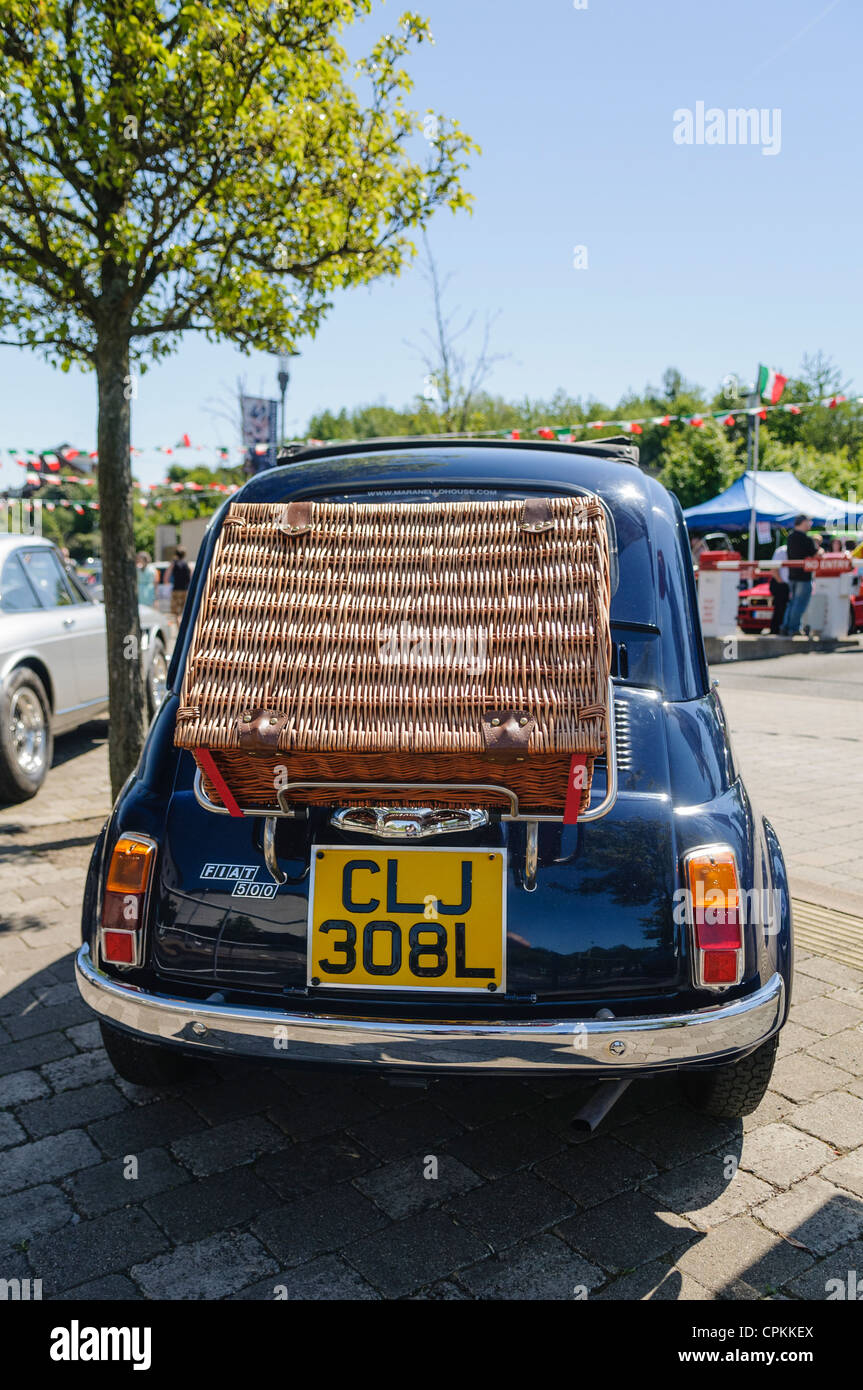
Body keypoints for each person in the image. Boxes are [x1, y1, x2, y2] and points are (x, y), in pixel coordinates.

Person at [781, 515, 817, 635]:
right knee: (799, 603)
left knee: (792, 602)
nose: (810, 524)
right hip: (803, 576)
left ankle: (786, 627)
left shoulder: (790, 537)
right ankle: (793, 628)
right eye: (808, 522)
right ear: (803, 522)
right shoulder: (806, 539)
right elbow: (816, 554)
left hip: (792, 575)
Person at [769, 541, 789, 634]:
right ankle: (776, 629)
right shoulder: (781, 550)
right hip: (780, 583)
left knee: (782, 607)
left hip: (784, 583)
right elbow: (774, 569)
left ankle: (778, 629)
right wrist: (781, 582)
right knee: (780, 607)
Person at [166, 547, 191, 619]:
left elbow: (166, 577)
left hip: (176, 590)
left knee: (175, 613)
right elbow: (191, 576)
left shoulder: (173, 564)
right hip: (185, 590)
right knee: (184, 611)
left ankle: (178, 626)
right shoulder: (187, 564)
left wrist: (168, 583)